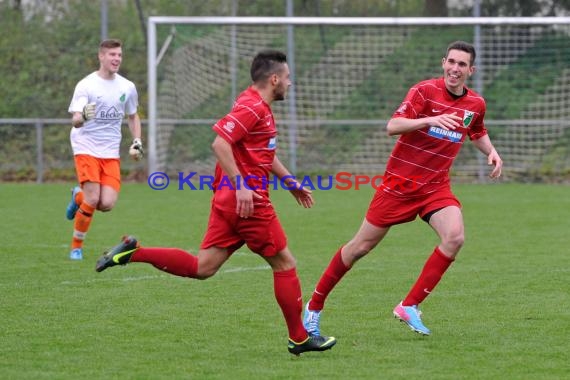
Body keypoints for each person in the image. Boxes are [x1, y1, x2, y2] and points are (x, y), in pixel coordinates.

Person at [95, 50, 337, 356]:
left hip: (229, 200)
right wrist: (243, 186)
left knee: (203, 267)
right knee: (285, 263)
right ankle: (299, 338)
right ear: (274, 79)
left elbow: (261, 150)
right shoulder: (253, 107)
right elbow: (219, 143)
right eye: (287, 78)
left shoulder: (252, 102)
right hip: (248, 203)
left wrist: (290, 182)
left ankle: (132, 253)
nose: (290, 83)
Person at [303, 41, 503, 337]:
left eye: (462, 64)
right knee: (360, 247)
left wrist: (492, 151)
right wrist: (429, 119)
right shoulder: (423, 91)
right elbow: (393, 125)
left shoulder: (476, 104)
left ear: (471, 71)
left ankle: (409, 306)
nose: (455, 69)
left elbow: (476, 130)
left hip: (435, 187)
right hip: (399, 186)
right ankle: (314, 307)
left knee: (455, 237)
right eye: (452, 62)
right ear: (443, 63)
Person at [65, 38, 143, 261]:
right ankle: (76, 247)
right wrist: (84, 116)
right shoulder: (86, 85)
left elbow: (132, 115)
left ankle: (77, 196)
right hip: (85, 146)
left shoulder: (127, 87)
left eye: (119, 55)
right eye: (112, 55)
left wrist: (137, 140)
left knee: (106, 203)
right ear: (101, 56)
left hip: (110, 151)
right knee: (93, 198)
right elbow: (76, 120)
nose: (117, 59)